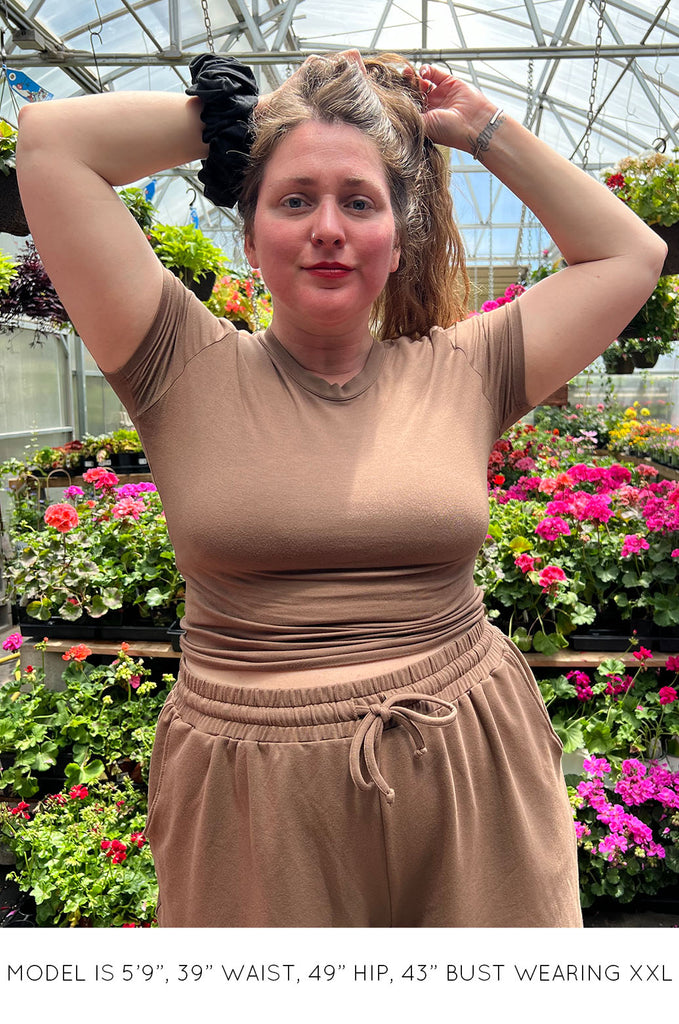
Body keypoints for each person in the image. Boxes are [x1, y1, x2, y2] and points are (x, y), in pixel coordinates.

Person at [16, 51, 666, 928]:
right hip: (251, 795)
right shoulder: (175, 361)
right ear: (249, 237)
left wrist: (481, 131)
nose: (328, 226)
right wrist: (256, 120)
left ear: (399, 241)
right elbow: (52, 144)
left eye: (358, 202)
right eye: (294, 199)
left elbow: (631, 252)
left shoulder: (466, 370)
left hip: (467, 757)